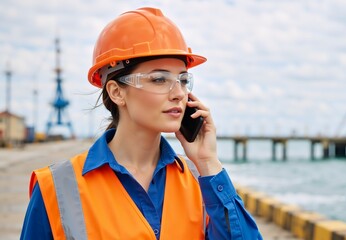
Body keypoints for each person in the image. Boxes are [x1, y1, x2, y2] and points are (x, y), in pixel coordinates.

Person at [20, 7, 262, 240]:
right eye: (159, 79)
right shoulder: (57, 188)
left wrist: (209, 163)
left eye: (183, 80)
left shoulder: (202, 181)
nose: (179, 93)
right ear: (116, 92)